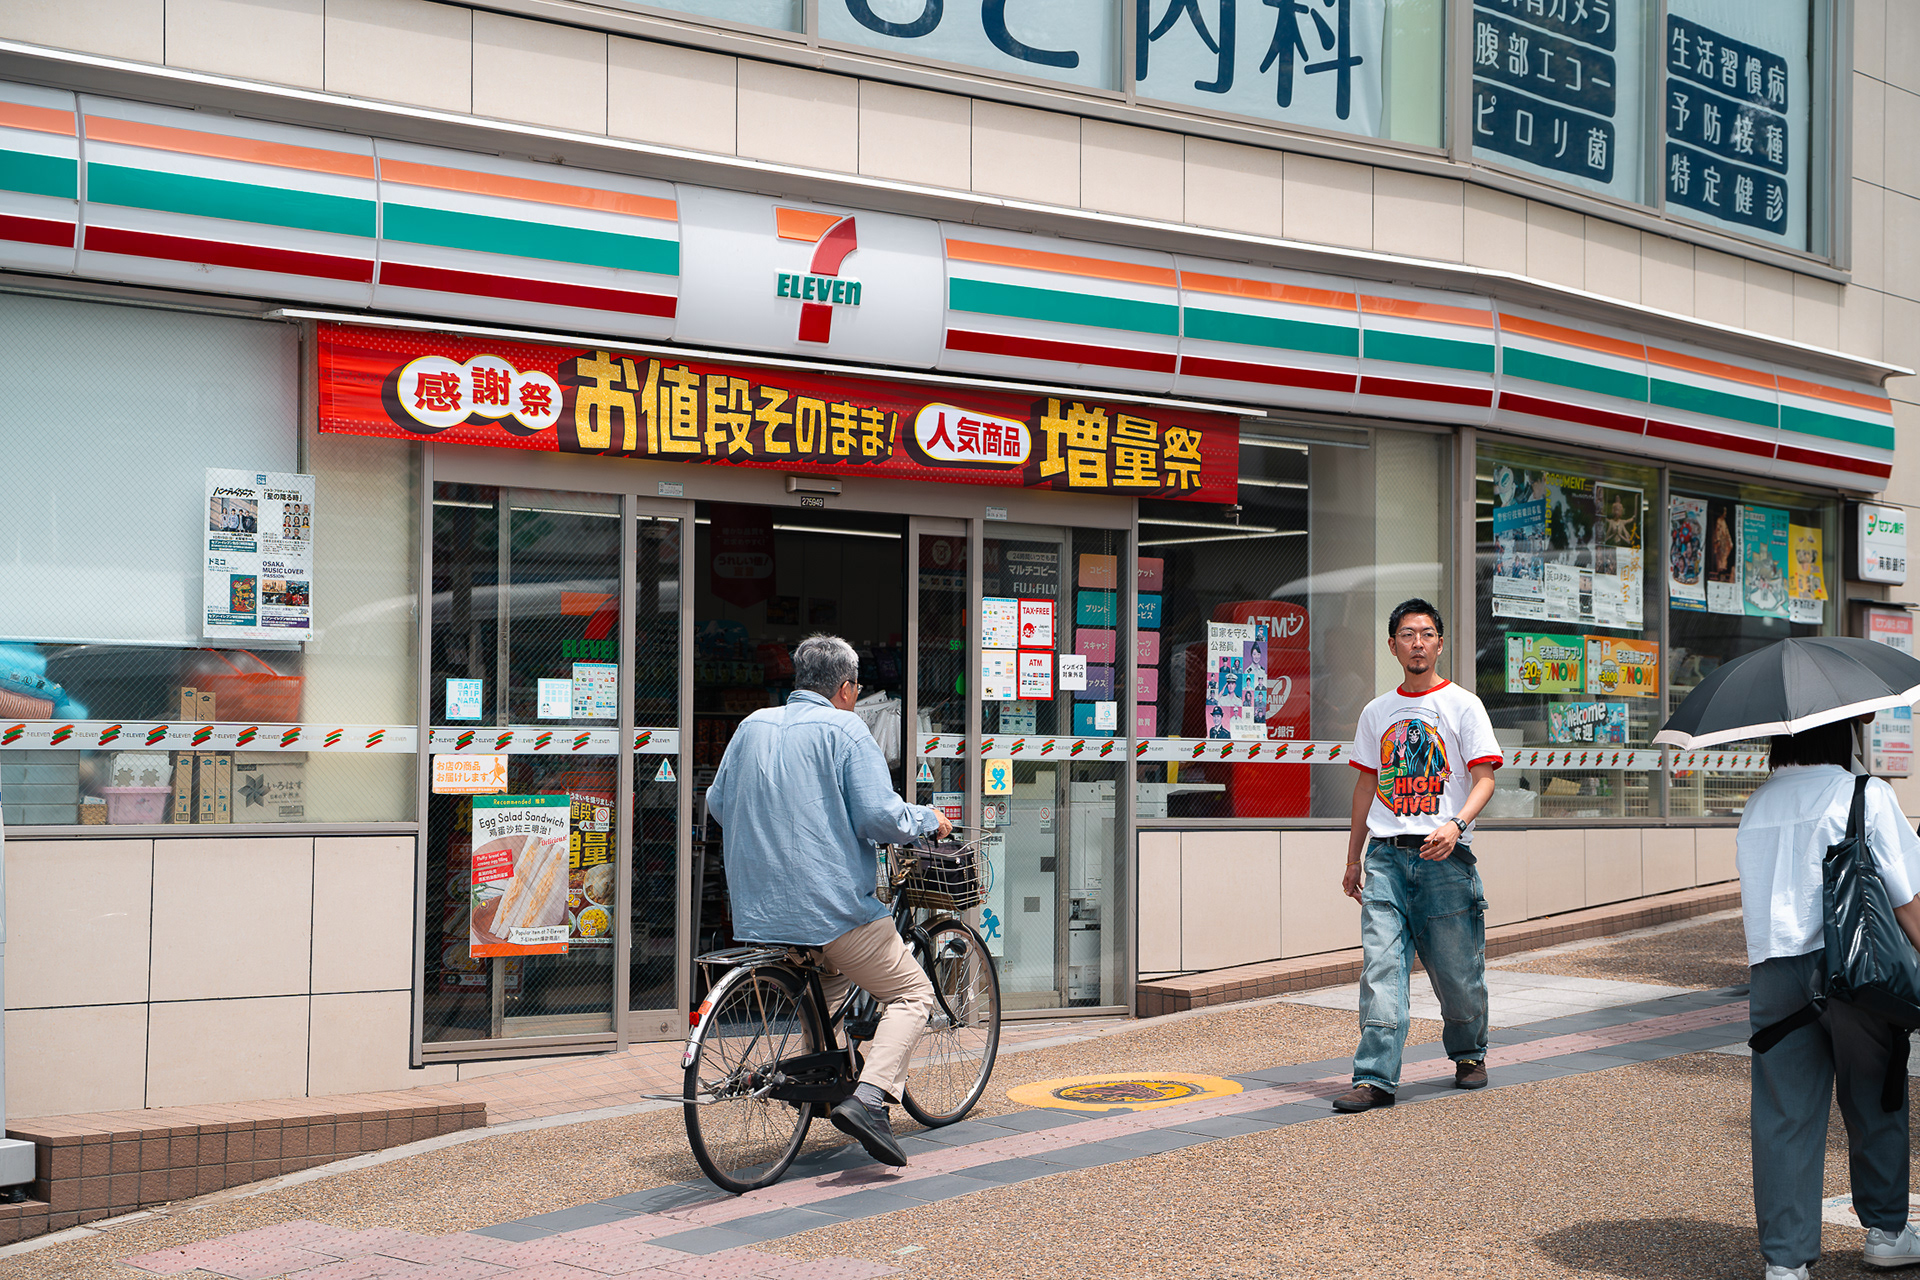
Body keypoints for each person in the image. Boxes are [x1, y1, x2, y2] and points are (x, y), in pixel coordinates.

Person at [704, 634, 952, 1167]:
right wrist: (928, 819)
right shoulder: (845, 728)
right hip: (831, 909)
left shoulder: (751, 726)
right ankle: (870, 1099)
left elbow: (719, 804)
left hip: (762, 912)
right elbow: (879, 817)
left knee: (830, 990)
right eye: (856, 688)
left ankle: (825, 1084)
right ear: (846, 688)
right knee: (913, 993)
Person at [1738, 719, 1920, 1279]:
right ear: (1842, 732)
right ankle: (1886, 1233)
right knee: (1875, 1094)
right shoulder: (1865, 793)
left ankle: (1785, 1263)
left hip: (1774, 972)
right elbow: (1907, 898)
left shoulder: (1757, 804)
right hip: (1853, 969)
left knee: (1784, 1113)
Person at [1333, 598, 1501, 1113]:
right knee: (1380, 970)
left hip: (1444, 859)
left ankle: (1469, 1053)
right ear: (1393, 646)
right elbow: (1366, 788)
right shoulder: (1376, 712)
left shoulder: (1464, 705)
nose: (1418, 643)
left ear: (1440, 644)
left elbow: (1485, 779)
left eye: (1426, 634)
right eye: (1407, 635)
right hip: (1386, 857)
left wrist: (1456, 825)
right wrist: (1353, 858)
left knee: (1457, 973)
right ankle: (1375, 1077)